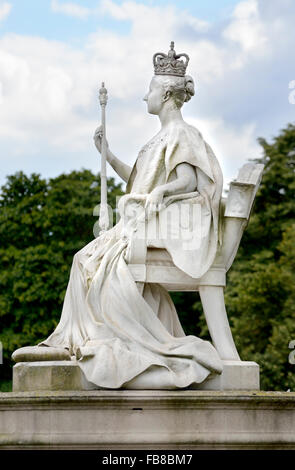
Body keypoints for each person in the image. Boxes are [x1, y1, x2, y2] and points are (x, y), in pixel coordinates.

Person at [38, 43, 224, 389]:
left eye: (150, 90)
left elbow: (187, 181)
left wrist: (162, 192)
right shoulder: (162, 137)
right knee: (86, 259)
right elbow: (139, 183)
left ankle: (107, 338)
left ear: (167, 94)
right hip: (143, 222)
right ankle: (91, 335)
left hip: (155, 229)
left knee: (89, 261)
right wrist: (108, 156)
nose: (145, 97)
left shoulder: (181, 134)